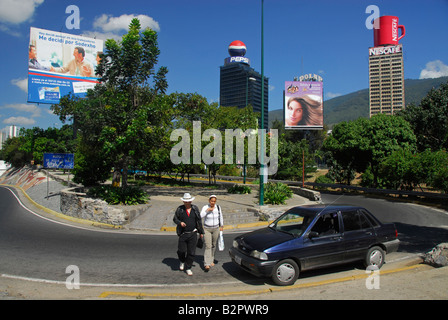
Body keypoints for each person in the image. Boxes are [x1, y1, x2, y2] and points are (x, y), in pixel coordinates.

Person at [173, 193, 204, 276]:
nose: (187, 203)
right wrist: (180, 223)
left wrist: (201, 232)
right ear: (183, 201)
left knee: (191, 252)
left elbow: (199, 220)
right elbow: (175, 219)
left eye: (189, 201)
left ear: (191, 201)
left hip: (193, 233)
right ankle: (182, 260)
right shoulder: (180, 209)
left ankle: (188, 267)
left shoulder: (195, 208)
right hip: (183, 234)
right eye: (186, 201)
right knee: (181, 250)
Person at [200, 195, 224, 271]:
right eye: (211, 201)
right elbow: (200, 216)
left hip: (216, 228)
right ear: (209, 201)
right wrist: (207, 210)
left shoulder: (218, 207)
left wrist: (221, 225)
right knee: (208, 246)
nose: (213, 203)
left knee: (214, 245)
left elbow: (220, 216)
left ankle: (211, 259)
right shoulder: (205, 207)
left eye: (214, 201)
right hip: (207, 229)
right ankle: (207, 263)